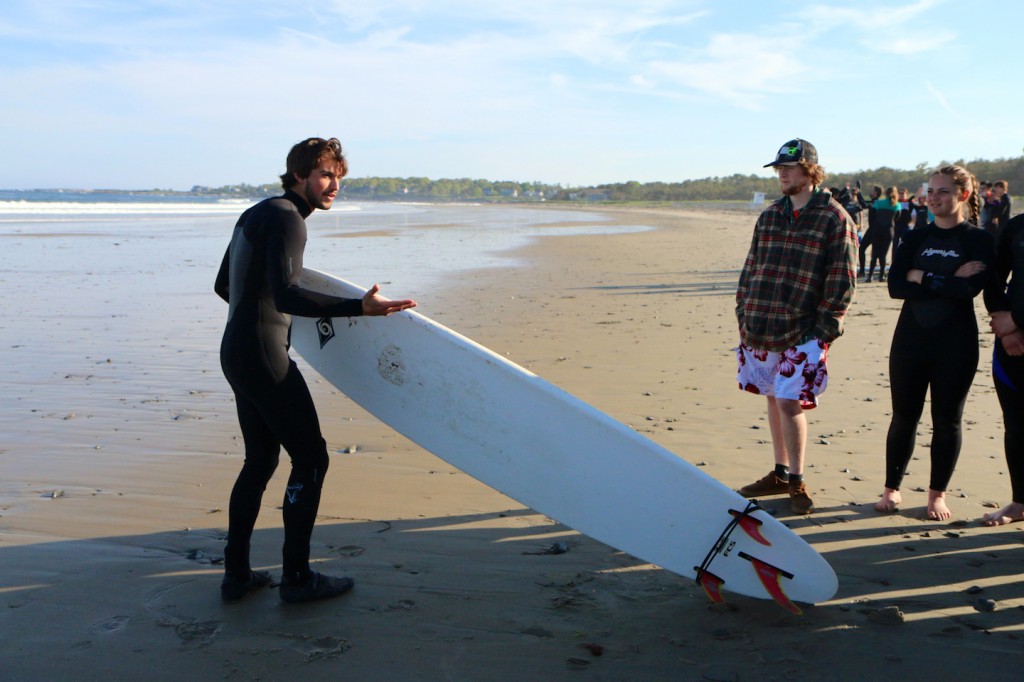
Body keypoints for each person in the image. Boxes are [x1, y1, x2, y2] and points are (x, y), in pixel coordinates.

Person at [214, 137, 417, 603]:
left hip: (237, 350)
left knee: (260, 460)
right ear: (300, 174)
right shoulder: (288, 219)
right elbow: (285, 293)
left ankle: (238, 575)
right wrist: (359, 308)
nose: (334, 186)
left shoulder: (257, 213)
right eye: (326, 175)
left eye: (338, 177)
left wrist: (261, 319)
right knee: (311, 458)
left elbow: (224, 284)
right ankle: (298, 578)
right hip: (263, 355)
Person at [735, 138, 859, 515]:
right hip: (761, 323)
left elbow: (843, 279)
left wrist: (825, 329)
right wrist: (744, 310)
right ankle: (778, 472)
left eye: (789, 168)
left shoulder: (834, 217)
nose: (782, 174)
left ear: (810, 171)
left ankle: (797, 481)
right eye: (779, 169)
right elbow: (751, 266)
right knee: (773, 396)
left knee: (791, 402)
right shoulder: (771, 215)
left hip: (805, 329)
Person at [875, 165, 994, 520]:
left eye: (943, 191)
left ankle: (936, 496)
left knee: (948, 420)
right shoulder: (913, 238)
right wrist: (943, 276)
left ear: (963, 195)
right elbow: (896, 287)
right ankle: (891, 490)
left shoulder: (979, 240)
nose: (934, 197)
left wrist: (921, 275)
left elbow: (968, 289)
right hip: (911, 339)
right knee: (903, 416)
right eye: (931, 190)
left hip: (955, 343)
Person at [981, 212, 1024, 525]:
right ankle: (1020, 502)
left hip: (1016, 326)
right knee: (1017, 425)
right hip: (1012, 345)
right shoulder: (1017, 226)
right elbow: (993, 277)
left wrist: (1018, 320)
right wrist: (1005, 323)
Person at [865, 185, 899, 282]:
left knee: (874, 253)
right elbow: (898, 218)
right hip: (888, 230)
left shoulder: (878, 202)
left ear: (885, 193)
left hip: (877, 229)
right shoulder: (897, 204)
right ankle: (881, 276)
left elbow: (872, 215)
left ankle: (870, 276)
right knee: (883, 254)